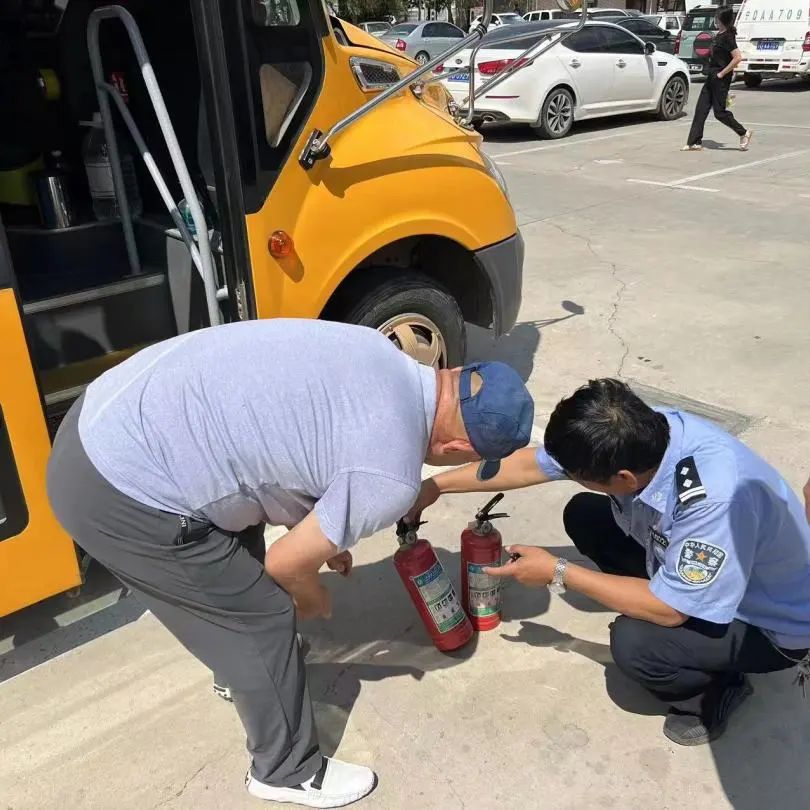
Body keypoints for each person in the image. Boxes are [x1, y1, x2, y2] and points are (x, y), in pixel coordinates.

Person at [46, 319, 533, 808]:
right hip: (115, 487)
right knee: (261, 616)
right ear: (458, 449)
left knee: (239, 541)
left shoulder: (378, 353)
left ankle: (243, 672)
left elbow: (284, 448)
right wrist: (310, 592)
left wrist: (326, 534)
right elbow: (284, 564)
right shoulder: (389, 475)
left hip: (102, 411)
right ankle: (284, 770)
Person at [410, 379, 810, 746]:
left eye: (577, 474)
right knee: (585, 514)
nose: (565, 475)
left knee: (636, 644)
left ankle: (713, 692)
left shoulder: (712, 503)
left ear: (624, 478)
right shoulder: (644, 432)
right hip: (711, 566)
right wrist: (434, 486)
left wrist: (558, 572)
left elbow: (671, 611)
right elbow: (531, 465)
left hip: (767, 624)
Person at [682, 6, 753, 152]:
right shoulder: (718, 34)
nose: (715, 19)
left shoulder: (728, 37)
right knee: (701, 109)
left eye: (716, 17)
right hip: (711, 76)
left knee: (719, 113)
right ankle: (694, 142)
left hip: (720, 79)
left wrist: (722, 73)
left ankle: (743, 133)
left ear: (722, 19)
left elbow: (738, 57)